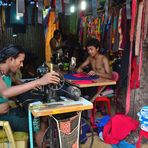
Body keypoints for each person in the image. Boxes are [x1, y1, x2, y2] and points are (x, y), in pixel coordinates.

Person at [0, 44, 60, 147]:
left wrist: (33, 84)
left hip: (8, 112)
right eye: (20, 61)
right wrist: (39, 82)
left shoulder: (6, 72)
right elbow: (5, 92)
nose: (22, 65)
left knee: (38, 116)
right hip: (3, 118)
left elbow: (15, 84)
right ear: (11, 59)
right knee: (41, 122)